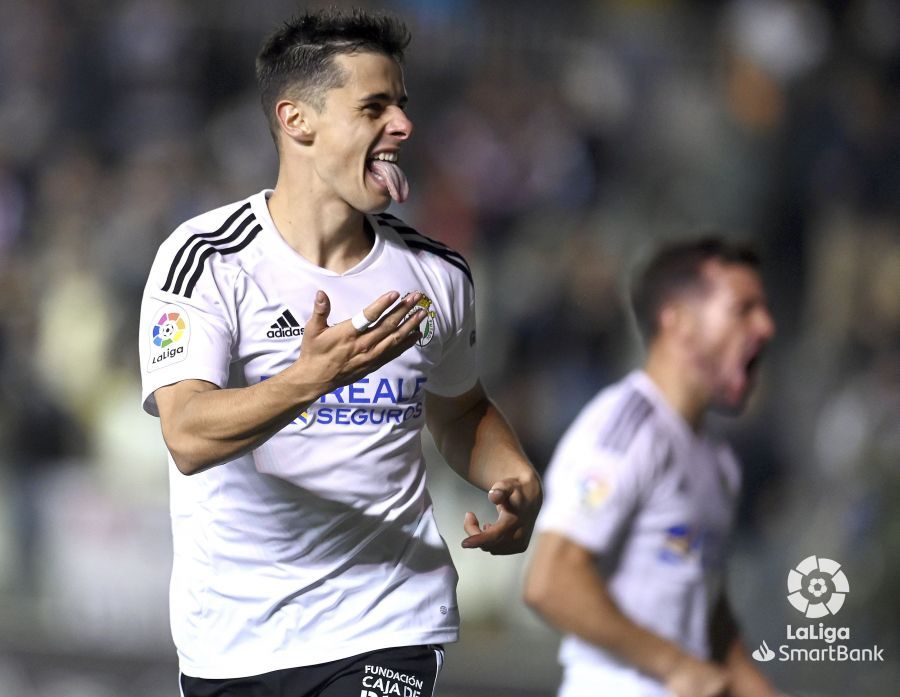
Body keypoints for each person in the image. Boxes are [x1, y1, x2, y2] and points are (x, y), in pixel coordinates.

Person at [138, 8, 541, 697]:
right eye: (375, 107)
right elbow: (187, 434)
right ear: (299, 121)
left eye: (403, 106)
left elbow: (460, 407)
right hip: (232, 640)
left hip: (387, 620)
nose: (404, 127)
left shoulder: (436, 274)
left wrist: (514, 475)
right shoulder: (207, 260)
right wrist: (308, 379)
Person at [523, 238, 780, 697]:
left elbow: (709, 617)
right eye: (744, 309)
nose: (766, 326)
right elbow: (551, 581)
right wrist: (676, 667)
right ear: (678, 321)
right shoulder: (627, 428)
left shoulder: (717, 460)